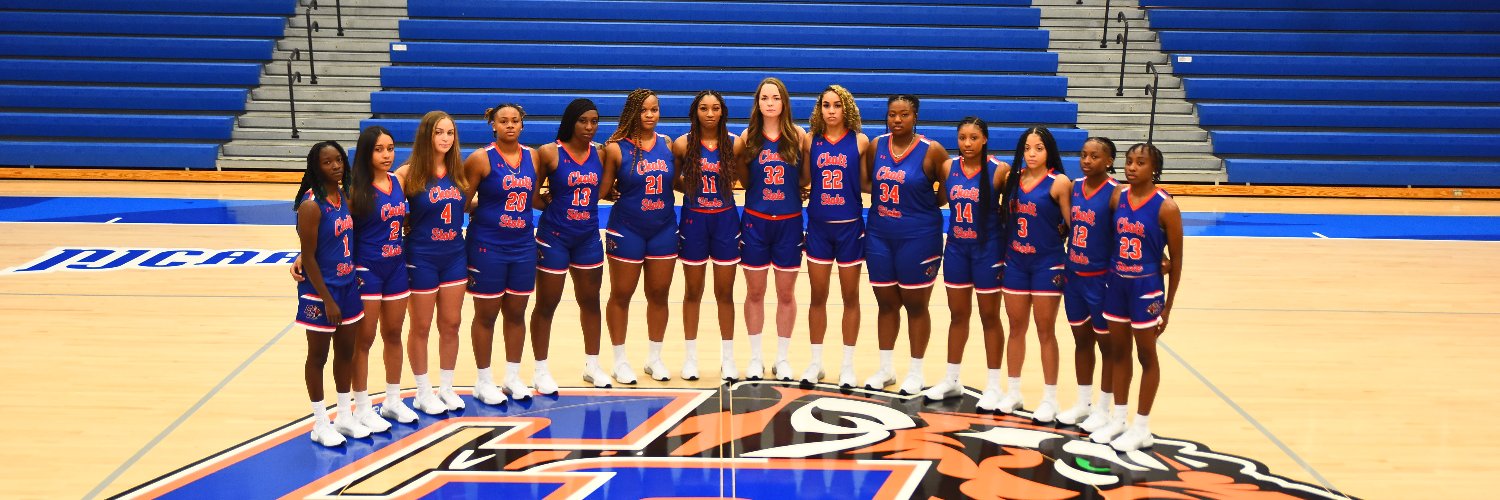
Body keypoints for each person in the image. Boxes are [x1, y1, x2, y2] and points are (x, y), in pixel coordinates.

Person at [1090, 143, 1183, 452]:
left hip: (1146, 288)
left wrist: (1167, 309)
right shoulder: (1118, 197)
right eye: (1129, 162)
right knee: (1118, 352)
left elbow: (1177, 262)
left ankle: (1142, 427)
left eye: (1140, 163)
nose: (1132, 167)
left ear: (1153, 169)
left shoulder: (1166, 207)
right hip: (1116, 283)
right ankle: (1118, 419)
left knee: (1146, 356)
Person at [863, 94, 949, 395]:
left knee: (915, 305)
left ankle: (916, 372)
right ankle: (886, 369)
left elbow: (948, 188)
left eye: (904, 114)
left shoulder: (932, 150)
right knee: (885, 304)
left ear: (916, 117)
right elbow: (867, 183)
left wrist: (925, 205)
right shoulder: (876, 146)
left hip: (919, 236)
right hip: (879, 234)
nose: (897, 120)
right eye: (891, 114)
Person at [531, 98, 615, 390]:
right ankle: (540, 370)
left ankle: (593, 365)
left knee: (591, 302)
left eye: (594, 121)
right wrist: (552, 207)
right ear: (571, 122)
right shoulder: (549, 153)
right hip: (554, 236)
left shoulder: (601, 154)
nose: (589, 127)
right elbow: (531, 194)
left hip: (588, 236)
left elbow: (601, 191)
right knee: (546, 303)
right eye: (583, 121)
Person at [924, 117, 1007, 402]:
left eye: (973, 138)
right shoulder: (949, 167)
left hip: (988, 250)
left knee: (989, 317)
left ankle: (994, 385)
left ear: (984, 139)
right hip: (957, 249)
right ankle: (952, 379)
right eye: (962, 138)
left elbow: (1015, 209)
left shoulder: (999, 171)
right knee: (957, 316)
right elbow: (938, 201)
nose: (967, 143)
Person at [600, 89, 680, 383]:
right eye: (644, 110)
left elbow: (678, 180)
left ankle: (654, 358)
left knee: (659, 295)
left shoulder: (667, 144)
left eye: (655, 110)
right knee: (621, 295)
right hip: (627, 229)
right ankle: (620, 360)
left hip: (663, 228)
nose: (650, 115)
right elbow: (604, 190)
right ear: (633, 112)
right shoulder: (615, 148)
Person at [462, 103, 538, 403]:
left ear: (522, 124)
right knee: (486, 315)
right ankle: (483, 381)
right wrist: (488, 208)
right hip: (487, 245)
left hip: (523, 245)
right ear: (492, 125)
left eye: (515, 120)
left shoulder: (532, 157)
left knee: (517, 313)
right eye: (503, 121)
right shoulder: (481, 158)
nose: (509, 125)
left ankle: (512, 377)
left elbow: (531, 198)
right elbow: (463, 203)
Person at [292, 141, 367, 446]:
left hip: (347, 285)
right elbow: (307, 257)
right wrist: (327, 298)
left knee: (346, 352)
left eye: (339, 160)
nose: (336, 166)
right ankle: (320, 423)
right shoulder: (311, 205)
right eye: (328, 162)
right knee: (318, 356)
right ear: (315, 167)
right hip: (320, 291)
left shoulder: (344, 197)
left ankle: (345, 416)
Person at [997, 126, 1072, 420]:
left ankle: (1050, 399)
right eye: (1027, 148)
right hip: (1015, 262)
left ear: (1049, 151)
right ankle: (1013, 392)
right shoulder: (1012, 180)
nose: (1031, 153)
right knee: (1015, 329)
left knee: (1045, 331)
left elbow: (1073, 225)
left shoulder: (1059, 182)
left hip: (1047, 263)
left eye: (1038, 148)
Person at [734, 77, 807, 380]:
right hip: (755, 221)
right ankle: (754, 358)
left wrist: (799, 192)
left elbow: (804, 180)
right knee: (755, 292)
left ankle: (782, 358)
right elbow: (743, 180)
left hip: (789, 223)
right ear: (758, 103)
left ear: (784, 102)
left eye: (775, 98)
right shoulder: (747, 138)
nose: (770, 103)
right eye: (764, 98)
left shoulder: (799, 136)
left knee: (786, 293)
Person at [800, 84, 870, 386]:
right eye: (826, 105)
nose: (831, 110)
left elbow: (867, 182)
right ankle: (816, 363)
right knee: (818, 296)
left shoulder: (860, 141)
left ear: (847, 109)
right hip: (818, 225)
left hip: (850, 226)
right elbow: (803, 178)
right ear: (820, 109)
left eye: (837, 105)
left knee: (850, 296)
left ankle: (848, 365)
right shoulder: (809, 140)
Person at [401, 111, 470, 415]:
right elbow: (384, 210)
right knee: (421, 325)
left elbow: (468, 205)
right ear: (427, 135)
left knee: (451, 324)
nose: (445, 138)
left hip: (455, 254)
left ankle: (446, 387)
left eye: (450, 133)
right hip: (421, 256)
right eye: (439, 132)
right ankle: (422, 391)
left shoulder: (459, 172)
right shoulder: (407, 173)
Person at [347, 126, 414, 427]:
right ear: (366, 152)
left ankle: (392, 400)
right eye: (379, 149)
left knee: (393, 334)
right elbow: (333, 227)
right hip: (366, 269)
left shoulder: (398, 180)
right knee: (364, 339)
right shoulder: (354, 190)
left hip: (396, 267)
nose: (386, 155)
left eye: (390, 148)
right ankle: (361, 407)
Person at [673, 90, 740, 380]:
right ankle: (690, 358)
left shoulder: (735, 144)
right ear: (695, 112)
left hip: (725, 220)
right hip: (694, 220)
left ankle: (728, 359)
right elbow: (671, 179)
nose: (710, 113)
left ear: (722, 111)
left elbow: (746, 178)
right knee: (692, 292)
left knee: (725, 294)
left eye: (715, 108)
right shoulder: (682, 144)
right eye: (704, 108)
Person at [1060, 137, 1120, 428]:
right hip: (1074, 276)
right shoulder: (1074, 187)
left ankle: (1104, 409)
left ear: (1108, 161)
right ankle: (1083, 403)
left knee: (1107, 347)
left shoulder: (1115, 193)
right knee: (1081, 341)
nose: (1086, 160)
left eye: (1094, 156)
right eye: (1083, 155)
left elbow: (1132, 227)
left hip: (1102, 280)